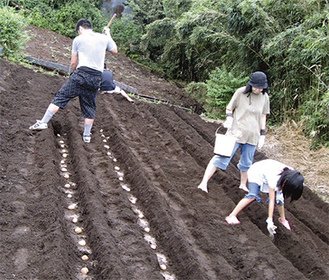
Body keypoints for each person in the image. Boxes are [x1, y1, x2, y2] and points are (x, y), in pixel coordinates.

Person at [29, 19, 118, 143]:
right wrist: (108, 34)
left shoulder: (78, 39)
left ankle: (43, 122)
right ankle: (86, 136)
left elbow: (73, 62)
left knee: (61, 96)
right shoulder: (103, 38)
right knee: (89, 105)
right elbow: (115, 50)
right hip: (96, 77)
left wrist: (74, 71)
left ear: (80, 28)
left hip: (81, 74)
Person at [197, 71, 270, 193]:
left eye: (260, 87)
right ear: (250, 84)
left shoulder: (265, 97)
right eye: (255, 86)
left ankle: (243, 184)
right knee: (220, 157)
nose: (257, 89)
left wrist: (262, 134)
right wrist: (229, 118)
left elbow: (263, 116)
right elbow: (229, 108)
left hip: (252, 136)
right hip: (235, 133)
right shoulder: (241, 93)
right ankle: (204, 182)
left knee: (247, 162)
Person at [225, 159, 304, 237]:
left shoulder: (293, 175)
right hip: (256, 172)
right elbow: (271, 200)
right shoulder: (274, 177)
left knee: (279, 199)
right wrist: (270, 220)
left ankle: (283, 220)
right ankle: (232, 216)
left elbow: (278, 197)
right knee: (252, 195)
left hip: (268, 174)